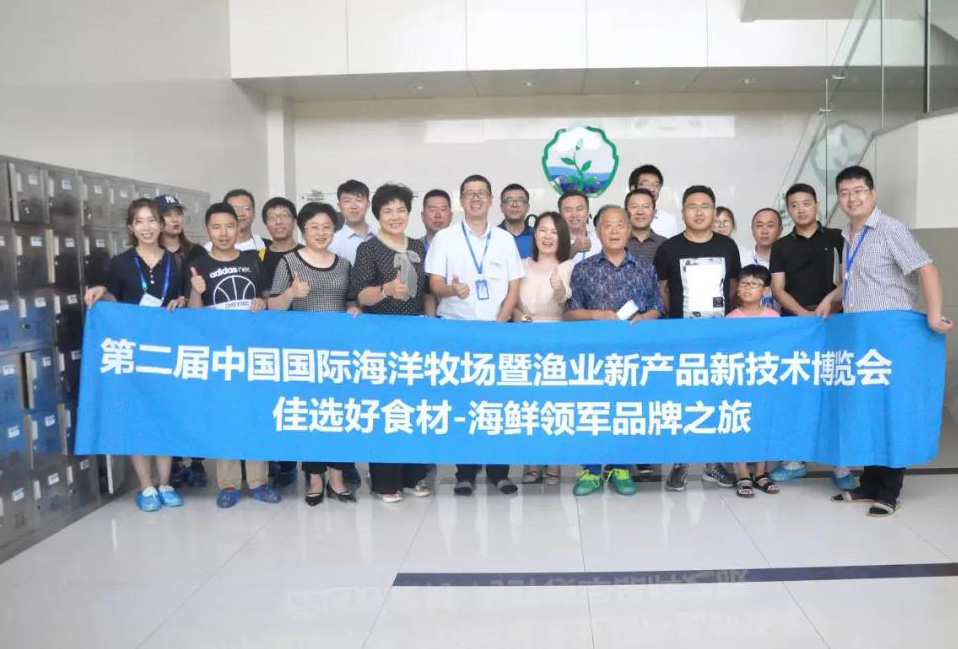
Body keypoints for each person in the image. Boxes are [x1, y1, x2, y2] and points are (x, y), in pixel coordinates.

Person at [820, 166, 952, 517]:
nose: (852, 198)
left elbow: (927, 269)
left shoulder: (891, 229)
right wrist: (831, 298)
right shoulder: (848, 235)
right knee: (868, 409)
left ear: (873, 193)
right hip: (861, 335)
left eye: (859, 190)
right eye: (845, 192)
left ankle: (889, 491)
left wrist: (934, 316)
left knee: (892, 409)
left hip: (892, 334)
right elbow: (854, 281)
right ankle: (868, 484)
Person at [83, 198, 187, 512]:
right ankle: (146, 486)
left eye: (152, 220)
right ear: (131, 227)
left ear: (162, 224)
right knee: (138, 416)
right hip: (132, 352)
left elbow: (183, 298)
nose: (147, 227)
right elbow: (114, 301)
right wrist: (102, 292)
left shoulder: (176, 262)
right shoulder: (119, 263)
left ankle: (165, 482)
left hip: (166, 350)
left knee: (164, 415)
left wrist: (182, 301)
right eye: (139, 221)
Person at [425, 174, 524, 496]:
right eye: (470, 194)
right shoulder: (445, 238)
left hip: (497, 331)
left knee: (498, 405)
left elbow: (514, 285)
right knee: (463, 405)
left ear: (491, 200)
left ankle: (499, 473)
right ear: (462, 201)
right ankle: (465, 473)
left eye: (482, 193)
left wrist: (503, 320)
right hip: (458, 331)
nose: (476, 198)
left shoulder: (504, 239)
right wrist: (451, 290)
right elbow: (434, 284)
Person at [564, 205, 663, 496]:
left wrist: (645, 318)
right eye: (608, 225)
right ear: (598, 232)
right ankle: (592, 470)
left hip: (633, 354)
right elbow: (570, 313)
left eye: (620, 225)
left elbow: (658, 306)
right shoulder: (584, 269)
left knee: (626, 409)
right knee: (593, 410)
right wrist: (598, 315)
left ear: (629, 230)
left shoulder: (644, 267)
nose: (615, 230)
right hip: (593, 355)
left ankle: (620, 467)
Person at [188, 203, 281, 509]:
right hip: (220, 354)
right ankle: (228, 483)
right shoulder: (198, 264)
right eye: (216, 227)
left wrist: (261, 303)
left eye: (229, 226)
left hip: (254, 352)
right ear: (207, 230)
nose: (224, 233)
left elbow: (267, 301)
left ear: (238, 226)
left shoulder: (253, 260)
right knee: (225, 416)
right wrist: (196, 290)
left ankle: (258, 481)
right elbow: (193, 315)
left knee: (254, 414)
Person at [268, 202, 361, 506]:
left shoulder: (343, 264)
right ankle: (314, 478)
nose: (321, 233)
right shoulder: (289, 262)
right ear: (303, 230)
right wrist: (291, 294)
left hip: (339, 355)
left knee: (339, 415)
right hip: (304, 354)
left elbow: (350, 301)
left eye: (327, 227)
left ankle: (337, 478)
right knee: (311, 416)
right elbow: (273, 307)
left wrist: (354, 309)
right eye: (314, 227)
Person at [348, 184, 435, 502]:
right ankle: (385, 482)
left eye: (401, 210)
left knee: (413, 407)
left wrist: (429, 325)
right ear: (378, 215)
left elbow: (427, 291)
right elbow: (361, 295)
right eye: (388, 211)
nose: (395, 216)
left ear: (409, 214)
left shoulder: (419, 246)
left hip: (415, 337)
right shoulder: (368, 249)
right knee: (387, 409)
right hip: (381, 338)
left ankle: (414, 475)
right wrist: (385, 290)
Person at [654, 185, 740, 492]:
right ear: (683, 213)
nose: (699, 212)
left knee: (715, 398)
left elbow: (733, 287)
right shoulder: (669, 248)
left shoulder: (728, 246)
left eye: (705, 206)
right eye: (692, 206)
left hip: (719, 337)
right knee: (682, 399)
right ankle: (680, 463)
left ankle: (713, 463)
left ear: (714, 212)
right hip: (682, 336)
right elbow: (663, 290)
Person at [768, 184, 852, 488]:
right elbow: (778, 288)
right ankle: (795, 460)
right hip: (796, 327)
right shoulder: (781, 246)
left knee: (835, 394)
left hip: (834, 323)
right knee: (796, 392)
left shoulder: (838, 237)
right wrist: (803, 315)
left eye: (806, 203)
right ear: (788, 210)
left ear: (817, 205)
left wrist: (830, 305)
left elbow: (849, 279)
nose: (801, 209)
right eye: (794, 205)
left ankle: (841, 466)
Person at [512, 211, 574, 485]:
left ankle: (554, 461)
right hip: (525, 339)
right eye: (543, 230)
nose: (548, 236)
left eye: (554, 232)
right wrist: (521, 319)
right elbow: (511, 301)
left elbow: (566, 301)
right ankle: (531, 460)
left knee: (554, 403)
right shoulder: (521, 265)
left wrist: (558, 287)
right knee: (529, 404)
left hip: (556, 342)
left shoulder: (569, 266)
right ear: (535, 234)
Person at [156, 193, 208, 490]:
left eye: (178, 214)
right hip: (163, 338)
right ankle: (174, 462)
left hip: (194, 335)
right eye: (167, 215)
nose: (174, 220)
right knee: (169, 401)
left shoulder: (196, 251)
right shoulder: (151, 254)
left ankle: (197, 461)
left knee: (195, 399)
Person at [257, 196, 303, 488]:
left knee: (298, 400)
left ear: (294, 221)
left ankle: (292, 461)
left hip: (301, 339)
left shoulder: (306, 253)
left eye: (284, 215)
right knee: (272, 401)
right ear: (265, 223)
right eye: (272, 217)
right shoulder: (258, 257)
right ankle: (275, 460)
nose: (279, 221)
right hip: (268, 340)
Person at [726, 265, 781, 498]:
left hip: (765, 381)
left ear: (765, 290)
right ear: (737, 288)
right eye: (744, 283)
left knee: (763, 425)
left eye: (755, 284)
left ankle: (761, 472)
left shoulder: (774, 317)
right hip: (739, 381)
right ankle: (742, 474)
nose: (748, 288)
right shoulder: (730, 318)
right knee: (739, 424)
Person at [623, 187, 667, 477]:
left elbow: (666, 289)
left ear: (654, 211)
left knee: (651, 392)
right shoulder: (615, 240)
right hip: (619, 331)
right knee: (623, 393)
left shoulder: (666, 245)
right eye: (634, 206)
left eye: (645, 206)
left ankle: (648, 453)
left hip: (653, 328)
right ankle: (621, 454)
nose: (640, 211)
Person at [203, 189, 269, 252]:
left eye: (246, 208)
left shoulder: (267, 247)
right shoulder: (207, 250)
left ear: (254, 213)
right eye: (234, 209)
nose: (240, 213)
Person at [744, 208, 783, 309]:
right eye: (759, 226)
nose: (764, 231)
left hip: (783, 317)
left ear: (780, 230)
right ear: (752, 231)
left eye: (770, 225)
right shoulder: (742, 260)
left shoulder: (789, 259)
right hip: (749, 316)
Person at [627, 164, 680, 238]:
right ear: (633, 189)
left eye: (656, 185)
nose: (652, 189)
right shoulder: (619, 218)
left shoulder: (669, 220)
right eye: (646, 184)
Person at [329, 179, 375, 264]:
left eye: (359, 200)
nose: (353, 206)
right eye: (347, 201)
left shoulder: (380, 238)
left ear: (368, 204)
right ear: (339, 206)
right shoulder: (332, 243)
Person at [558, 189, 600, 264]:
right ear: (560, 214)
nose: (574, 214)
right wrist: (575, 248)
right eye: (568, 210)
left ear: (588, 212)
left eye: (579, 209)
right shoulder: (551, 241)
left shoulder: (601, 241)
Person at [498, 183, 535, 258]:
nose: (514, 205)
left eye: (520, 200)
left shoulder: (538, 237)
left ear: (527, 207)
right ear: (502, 207)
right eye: (509, 200)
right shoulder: (492, 237)